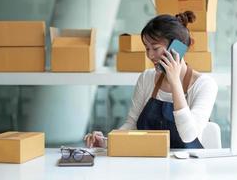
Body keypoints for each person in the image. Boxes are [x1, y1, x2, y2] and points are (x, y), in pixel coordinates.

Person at [85, 11, 218, 148]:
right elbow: (132, 124)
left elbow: (188, 135)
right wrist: (107, 142)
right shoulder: (146, 78)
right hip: (148, 161)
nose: (150, 55)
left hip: (188, 166)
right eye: (147, 48)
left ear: (176, 49)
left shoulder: (205, 85)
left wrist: (175, 82)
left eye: (155, 48)